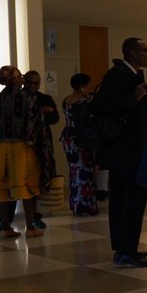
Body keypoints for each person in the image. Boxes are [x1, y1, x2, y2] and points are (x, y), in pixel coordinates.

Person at [96, 38, 147, 267]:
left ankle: (127, 247)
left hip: (131, 151)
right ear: (132, 53)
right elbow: (103, 105)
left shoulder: (132, 75)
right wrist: (134, 98)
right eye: (145, 50)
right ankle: (124, 251)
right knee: (127, 201)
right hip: (125, 152)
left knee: (131, 201)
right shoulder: (118, 74)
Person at [0, 66, 44, 238]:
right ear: (15, 79)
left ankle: (5, 226)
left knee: (2, 185)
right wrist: (34, 143)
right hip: (22, 148)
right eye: (20, 77)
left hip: (0, 149)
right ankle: (30, 227)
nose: (22, 80)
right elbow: (35, 123)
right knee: (27, 186)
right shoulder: (27, 99)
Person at [21, 70, 59, 229]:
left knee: (41, 178)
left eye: (36, 83)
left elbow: (55, 118)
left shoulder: (45, 98)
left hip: (42, 144)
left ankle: (37, 215)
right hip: (23, 145)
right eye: (30, 82)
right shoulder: (18, 98)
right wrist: (39, 111)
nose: (33, 86)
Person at [59, 73, 99, 216]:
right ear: (83, 85)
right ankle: (85, 205)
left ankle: (75, 203)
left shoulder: (66, 100)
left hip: (68, 137)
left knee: (74, 171)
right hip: (82, 137)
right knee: (85, 171)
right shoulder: (85, 101)